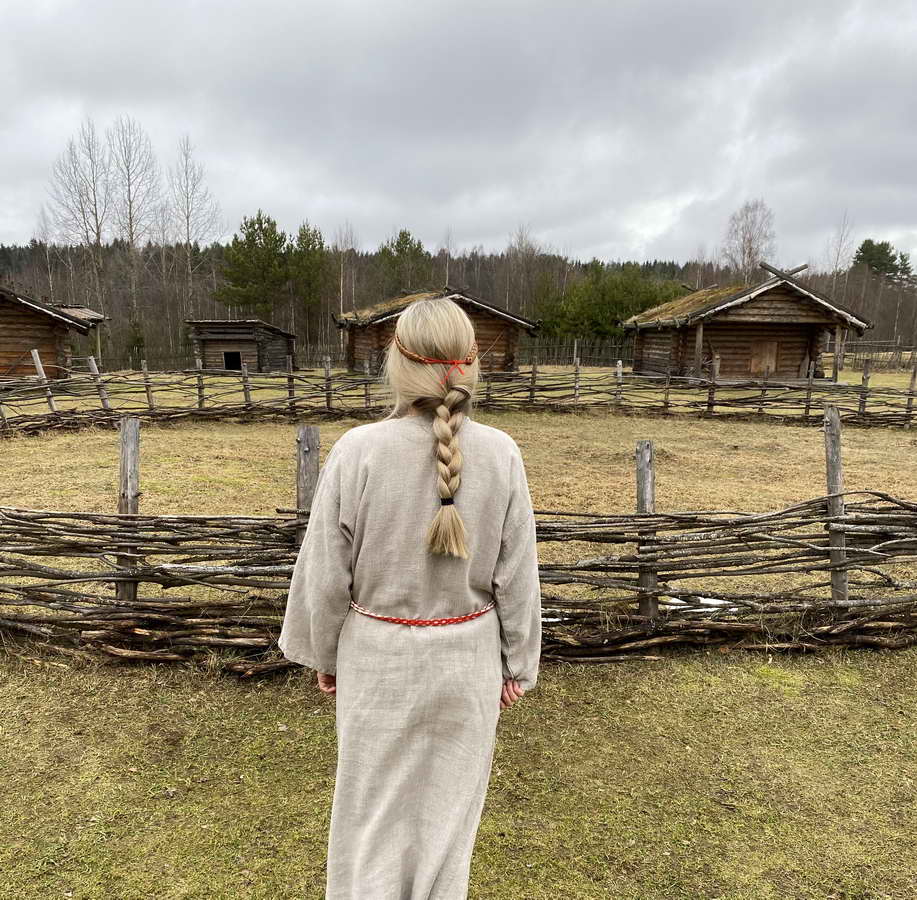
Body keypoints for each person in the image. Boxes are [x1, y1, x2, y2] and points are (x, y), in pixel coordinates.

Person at [278, 296, 542, 900]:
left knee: (370, 817)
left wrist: (326, 656)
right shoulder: (501, 454)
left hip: (376, 660)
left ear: (399, 363)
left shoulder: (357, 451)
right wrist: (517, 666)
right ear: (470, 366)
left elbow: (324, 574)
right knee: (449, 822)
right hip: (468, 664)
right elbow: (517, 578)